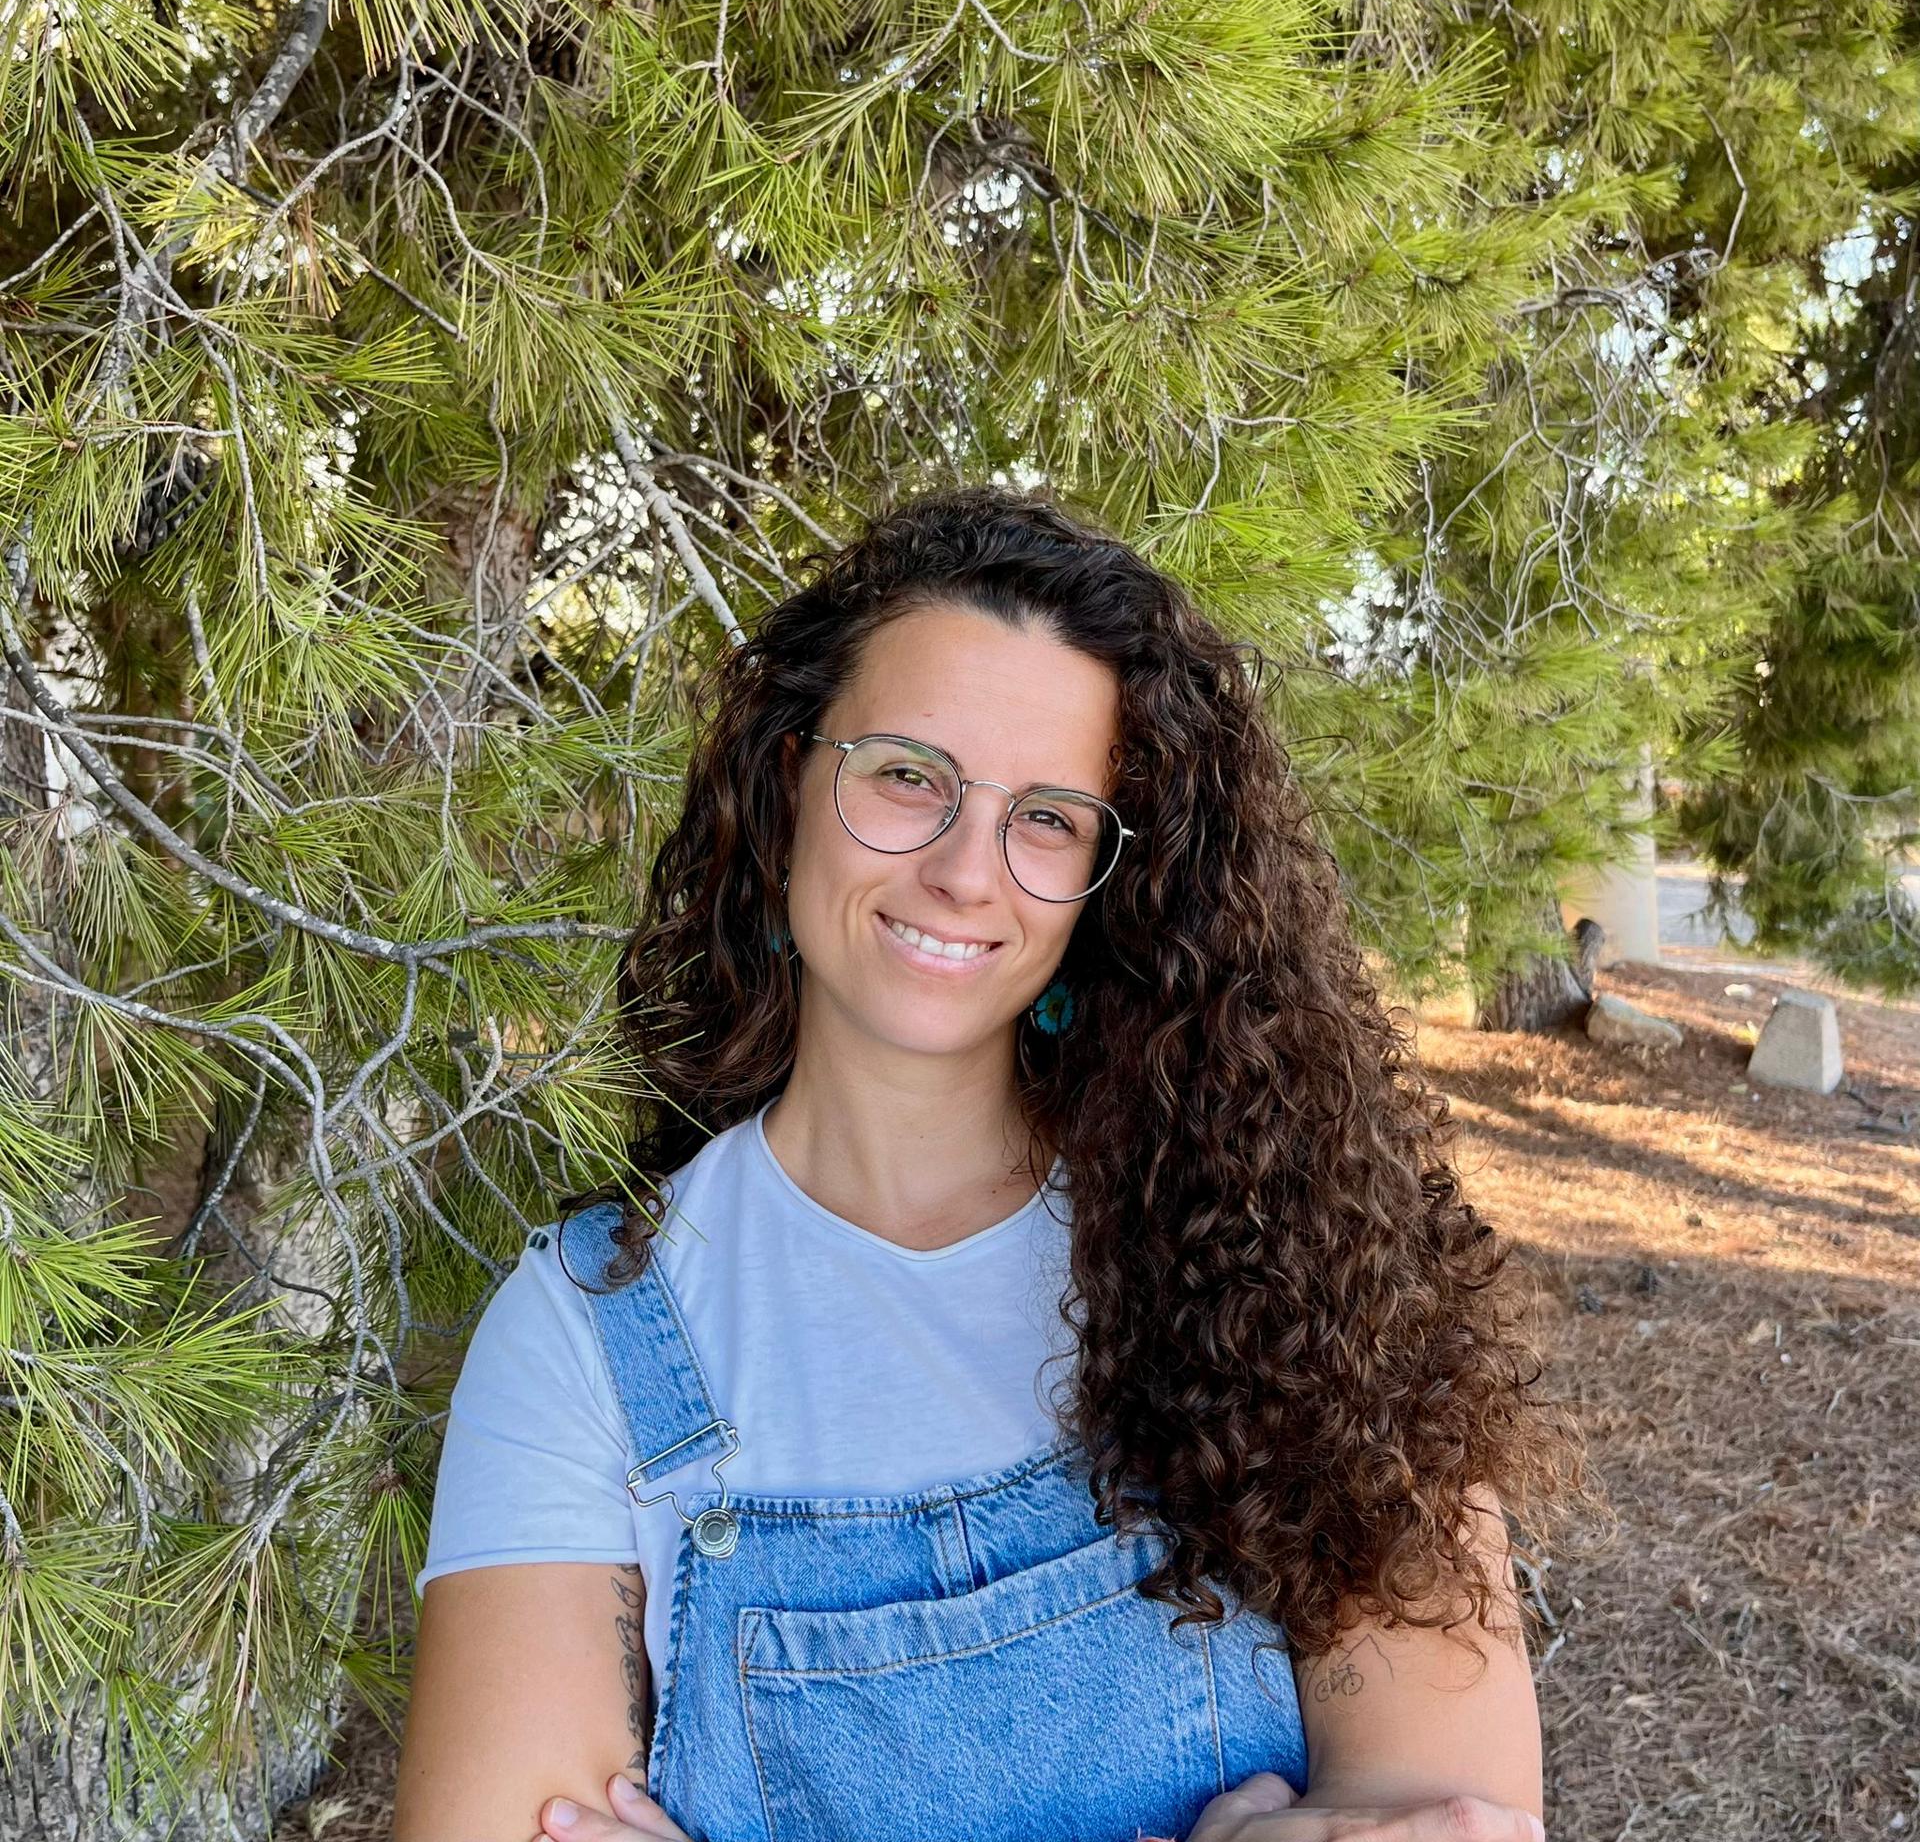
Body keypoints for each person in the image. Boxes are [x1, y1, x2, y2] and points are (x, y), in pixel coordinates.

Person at [394, 485, 1582, 1842]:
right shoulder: (587, 1341)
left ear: (1110, 884)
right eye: (909, 776)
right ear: (791, 784)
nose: (969, 870)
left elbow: (1453, 1815)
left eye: (1049, 819)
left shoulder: (1293, 1263)